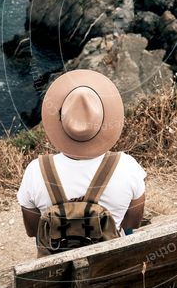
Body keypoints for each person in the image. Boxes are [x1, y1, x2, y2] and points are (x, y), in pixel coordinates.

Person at [17, 69, 146, 255]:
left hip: (55, 272)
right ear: (103, 121)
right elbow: (132, 223)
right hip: (110, 264)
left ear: (61, 123)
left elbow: (33, 231)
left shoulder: (36, 171)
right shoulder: (127, 167)